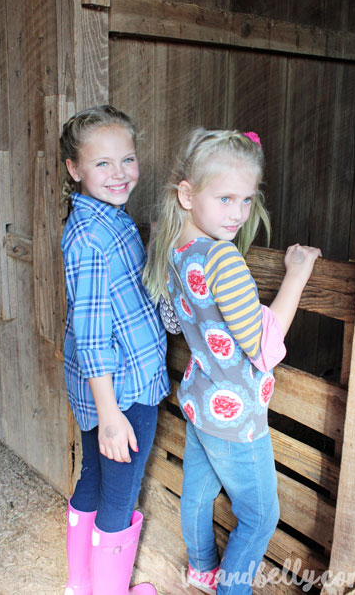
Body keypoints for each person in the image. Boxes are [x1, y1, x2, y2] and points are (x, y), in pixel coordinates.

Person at [142, 128, 321, 594]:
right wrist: (297, 275)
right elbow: (263, 346)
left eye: (246, 199)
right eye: (225, 198)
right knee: (262, 516)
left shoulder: (175, 250)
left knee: (199, 492)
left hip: (201, 398)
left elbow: (176, 323)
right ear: (187, 194)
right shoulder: (224, 261)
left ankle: (202, 567)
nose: (238, 213)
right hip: (237, 414)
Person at [61, 105, 170, 595]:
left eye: (127, 159)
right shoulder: (91, 238)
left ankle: (81, 585)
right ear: (74, 168)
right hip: (122, 392)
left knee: (94, 476)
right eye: (102, 163)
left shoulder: (106, 219)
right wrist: (110, 414)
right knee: (120, 492)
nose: (119, 173)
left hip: (106, 390)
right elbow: (90, 334)